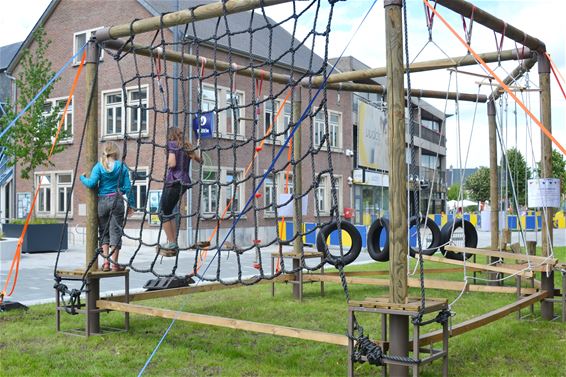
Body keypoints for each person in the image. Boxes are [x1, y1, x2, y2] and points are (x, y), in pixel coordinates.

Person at [80, 142, 134, 271]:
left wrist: (82, 178)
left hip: (102, 202)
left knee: (103, 231)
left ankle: (105, 263)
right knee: (116, 231)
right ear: (116, 153)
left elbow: (92, 183)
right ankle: (115, 263)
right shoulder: (121, 167)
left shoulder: (99, 167)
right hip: (117, 200)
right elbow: (127, 187)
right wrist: (131, 204)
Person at [159, 127, 202, 251]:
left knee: (162, 212)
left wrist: (168, 162)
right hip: (184, 182)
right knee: (168, 211)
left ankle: (172, 242)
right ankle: (172, 241)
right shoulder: (186, 146)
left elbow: (172, 163)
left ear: (170, 135)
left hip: (173, 181)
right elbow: (199, 160)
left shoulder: (172, 144)